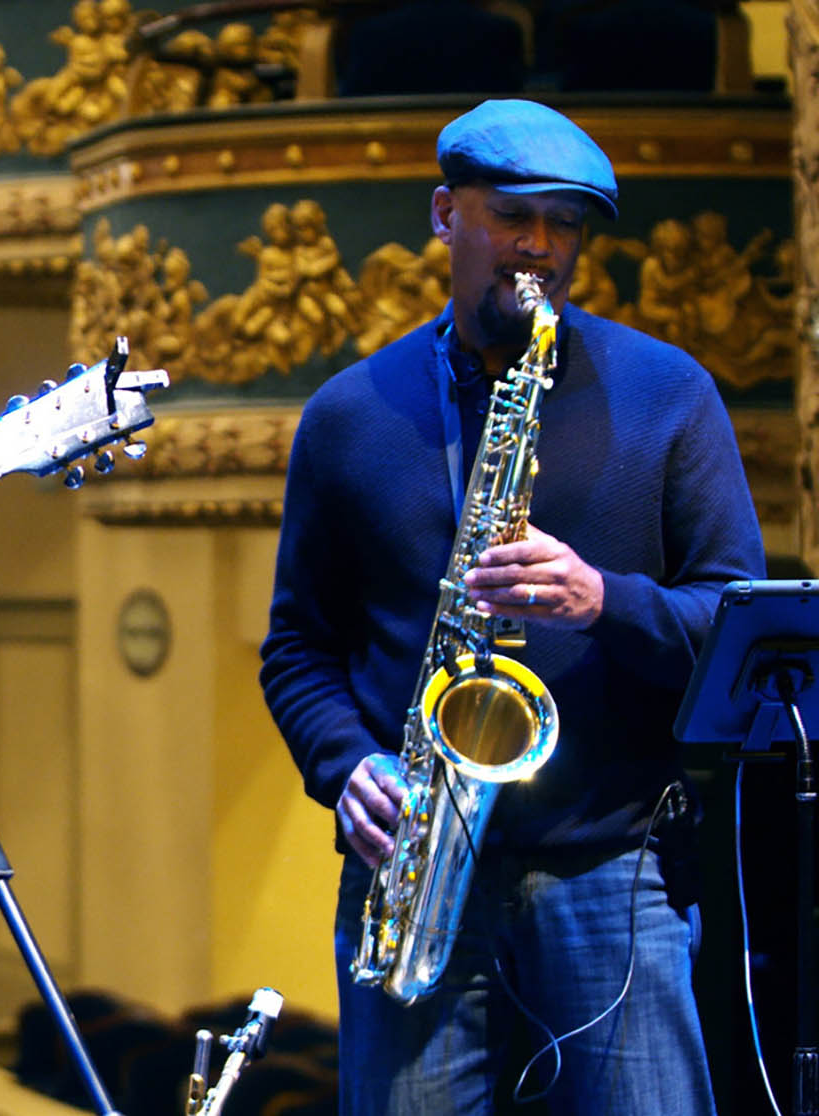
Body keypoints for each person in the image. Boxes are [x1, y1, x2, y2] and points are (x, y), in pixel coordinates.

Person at [258, 100, 761, 1113]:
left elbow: (732, 629)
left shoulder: (668, 394)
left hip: (612, 876)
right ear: (445, 214)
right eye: (511, 216)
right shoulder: (349, 415)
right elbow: (297, 650)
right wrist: (343, 763)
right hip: (414, 870)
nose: (538, 246)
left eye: (564, 225)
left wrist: (599, 599)